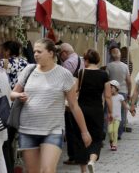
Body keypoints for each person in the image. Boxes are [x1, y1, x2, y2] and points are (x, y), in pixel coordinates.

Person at [11, 38, 91, 172]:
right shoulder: (28, 70)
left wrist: (84, 131)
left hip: (53, 130)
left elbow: (73, 106)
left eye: (39, 51)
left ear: (51, 53)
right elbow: (12, 94)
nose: (35, 54)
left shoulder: (64, 74)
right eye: (35, 51)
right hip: (27, 129)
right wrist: (19, 95)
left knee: (47, 170)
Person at [76, 49, 113, 173]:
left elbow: (74, 90)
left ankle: (83, 170)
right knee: (96, 138)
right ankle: (92, 160)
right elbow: (108, 96)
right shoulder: (104, 75)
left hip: (80, 110)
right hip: (97, 110)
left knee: (81, 138)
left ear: (86, 60)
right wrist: (111, 112)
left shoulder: (80, 72)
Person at [0, 40, 28, 173]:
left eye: (4, 50)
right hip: (23, 104)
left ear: (8, 51)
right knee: (19, 139)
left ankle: (9, 168)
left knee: (6, 141)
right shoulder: (26, 63)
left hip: (7, 105)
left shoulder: (2, 64)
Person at [58, 43, 85, 165]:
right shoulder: (80, 59)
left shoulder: (68, 63)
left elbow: (62, 82)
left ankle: (73, 156)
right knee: (76, 128)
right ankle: (79, 155)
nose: (60, 57)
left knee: (70, 129)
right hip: (78, 96)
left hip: (69, 99)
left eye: (60, 54)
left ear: (64, 52)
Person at [106, 47, 132, 139]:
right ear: (120, 54)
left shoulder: (108, 66)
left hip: (111, 92)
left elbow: (106, 80)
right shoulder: (125, 66)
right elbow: (129, 81)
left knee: (109, 111)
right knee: (122, 113)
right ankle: (119, 133)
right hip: (123, 91)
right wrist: (129, 92)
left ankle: (108, 131)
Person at [108, 80, 135, 151]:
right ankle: (111, 140)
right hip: (110, 117)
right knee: (110, 131)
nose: (110, 89)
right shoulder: (108, 97)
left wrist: (131, 110)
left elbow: (125, 105)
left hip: (117, 117)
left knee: (115, 131)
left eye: (111, 87)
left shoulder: (120, 97)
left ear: (116, 88)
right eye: (109, 88)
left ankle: (114, 144)